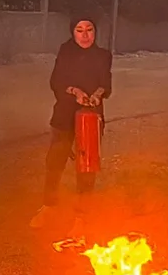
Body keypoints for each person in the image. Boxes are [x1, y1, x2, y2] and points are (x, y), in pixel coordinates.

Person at [30, 15, 113, 229]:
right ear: (72, 32)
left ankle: (81, 217)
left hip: (91, 117)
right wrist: (75, 92)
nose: (85, 35)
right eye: (80, 30)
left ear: (95, 32)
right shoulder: (65, 52)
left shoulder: (103, 55)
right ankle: (49, 206)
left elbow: (106, 83)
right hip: (64, 115)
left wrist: (96, 94)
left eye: (89, 30)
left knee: (87, 167)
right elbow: (56, 81)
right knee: (55, 162)